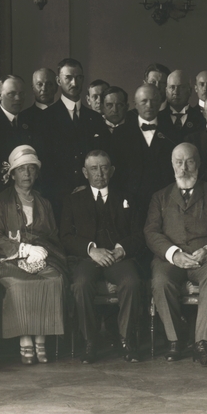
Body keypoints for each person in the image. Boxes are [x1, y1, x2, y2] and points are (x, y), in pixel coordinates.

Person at [145, 143, 207, 366]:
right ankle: (175, 340)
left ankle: (202, 343)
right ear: (172, 165)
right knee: (160, 280)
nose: (184, 167)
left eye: (189, 161)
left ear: (198, 163)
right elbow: (151, 231)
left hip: (203, 259)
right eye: (179, 162)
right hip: (171, 259)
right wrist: (173, 254)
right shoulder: (160, 197)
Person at [60, 151, 145, 363]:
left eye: (104, 167)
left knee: (132, 282)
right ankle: (90, 341)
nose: (99, 173)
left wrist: (120, 250)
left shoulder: (127, 198)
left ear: (112, 170)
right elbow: (66, 236)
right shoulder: (73, 201)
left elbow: (139, 234)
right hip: (88, 259)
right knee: (80, 284)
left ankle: (127, 340)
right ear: (84, 172)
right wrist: (91, 250)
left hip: (118, 259)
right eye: (93, 169)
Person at [0, 145, 69, 364]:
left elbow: (53, 237)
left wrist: (41, 253)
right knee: (20, 284)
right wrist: (23, 250)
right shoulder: (0, 201)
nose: (27, 174)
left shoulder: (44, 203)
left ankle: (41, 339)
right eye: (21, 169)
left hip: (41, 258)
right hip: (9, 260)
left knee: (54, 280)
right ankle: (25, 339)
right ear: (12, 173)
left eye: (31, 169)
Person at [37, 58, 106, 209]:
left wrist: (87, 187)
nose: (74, 83)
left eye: (79, 78)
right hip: (58, 198)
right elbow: (45, 162)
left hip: (91, 195)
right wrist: (66, 190)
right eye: (68, 78)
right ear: (58, 80)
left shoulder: (95, 119)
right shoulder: (45, 118)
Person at [116, 84, 178, 208]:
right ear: (135, 104)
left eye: (154, 100)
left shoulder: (173, 132)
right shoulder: (120, 133)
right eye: (144, 101)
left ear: (160, 103)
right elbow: (117, 171)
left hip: (165, 201)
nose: (149, 105)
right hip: (131, 201)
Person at [165, 69, 202, 136]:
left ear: (190, 91)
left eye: (181, 87)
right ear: (166, 91)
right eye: (172, 87)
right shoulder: (158, 118)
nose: (176, 92)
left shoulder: (201, 118)